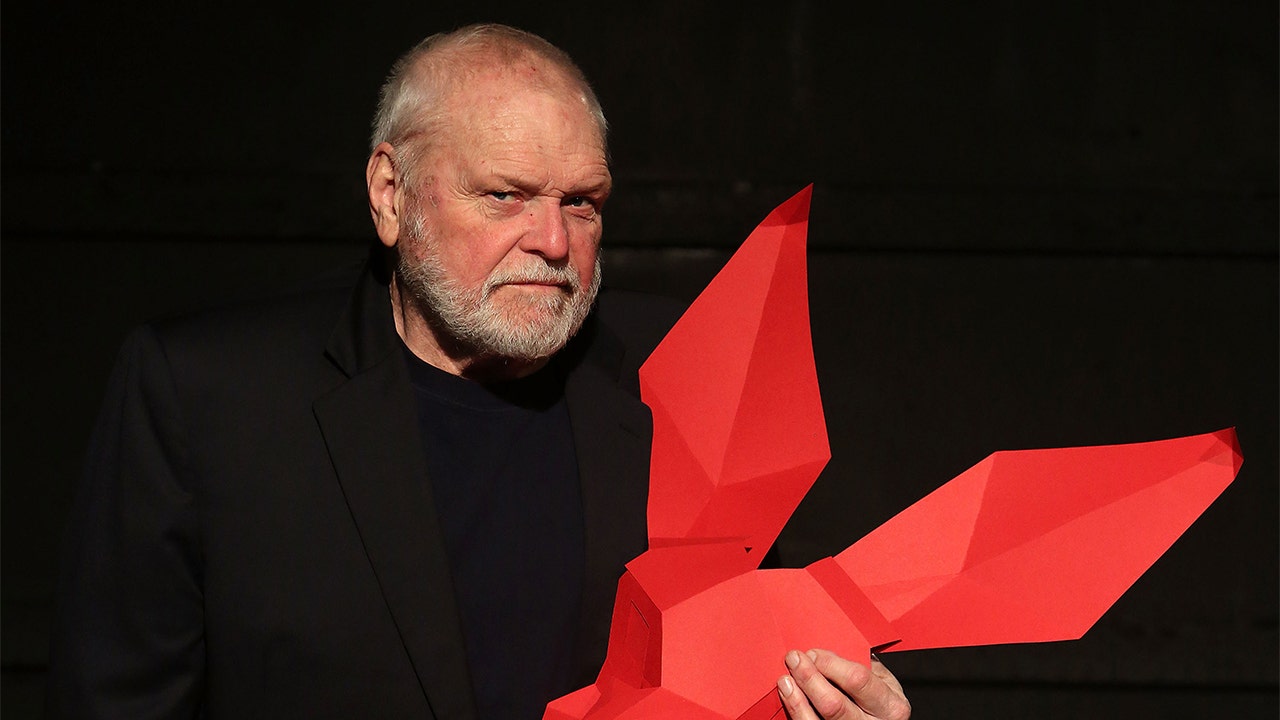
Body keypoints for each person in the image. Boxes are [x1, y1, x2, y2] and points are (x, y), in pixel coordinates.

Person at [46, 23, 911, 720]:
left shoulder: (681, 375)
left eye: (582, 202)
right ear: (390, 194)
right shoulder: (207, 395)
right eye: (506, 195)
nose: (554, 241)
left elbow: (760, 666)